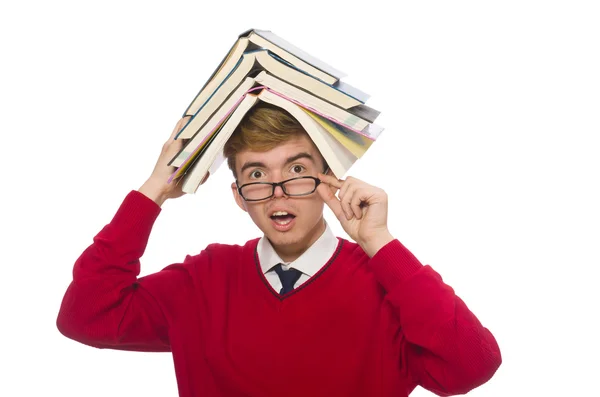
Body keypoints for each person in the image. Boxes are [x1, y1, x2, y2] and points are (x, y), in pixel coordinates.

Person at [57, 103, 502, 397]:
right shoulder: (204, 279)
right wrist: (153, 190)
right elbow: (86, 315)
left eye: (296, 169)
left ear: (330, 183)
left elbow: (471, 365)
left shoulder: (386, 283)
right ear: (238, 195)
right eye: (256, 175)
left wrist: (380, 244)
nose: (278, 191)